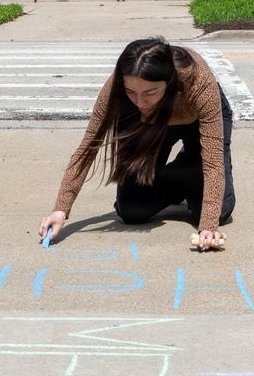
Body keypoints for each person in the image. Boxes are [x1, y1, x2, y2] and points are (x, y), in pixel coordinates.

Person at [39, 37, 235, 251]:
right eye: (131, 92)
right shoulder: (118, 85)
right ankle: (185, 172)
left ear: (169, 82)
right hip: (154, 123)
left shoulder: (198, 81)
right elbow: (87, 148)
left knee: (218, 212)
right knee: (132, 210)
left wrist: (208, 227)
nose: (140, 103)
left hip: (197, 122)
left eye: (150, 92)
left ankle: (194, 164)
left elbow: (213, 162)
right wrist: (60, 210)